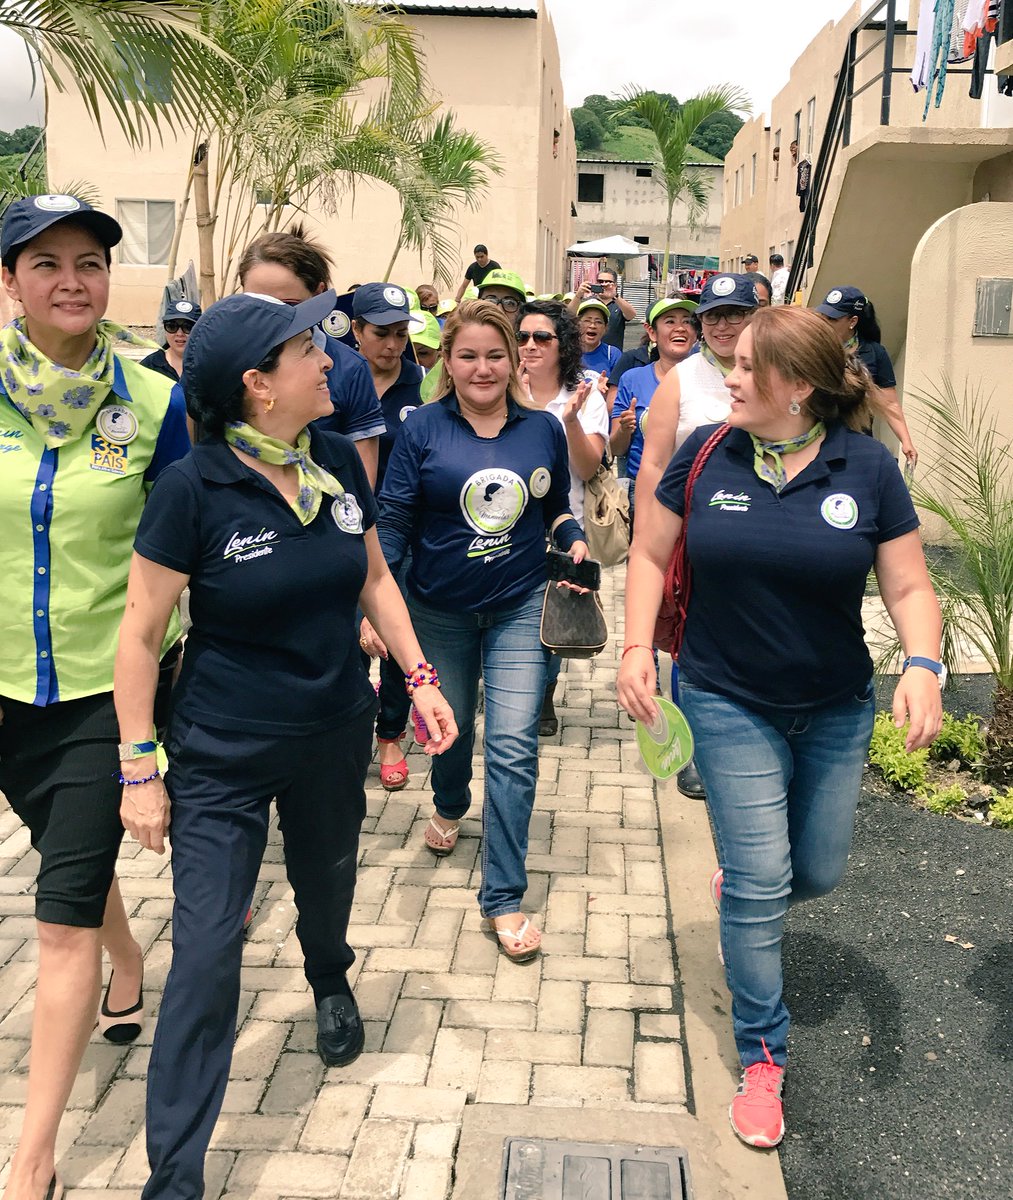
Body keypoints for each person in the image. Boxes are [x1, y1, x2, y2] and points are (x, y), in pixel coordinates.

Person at [113, 291, 457, 1200]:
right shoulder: (194, 487)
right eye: (307, 348)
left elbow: (375, 576)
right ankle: (175, 1174)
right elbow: (141, 634)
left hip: (332, 732)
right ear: (259, 386)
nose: (327, 359)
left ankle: (329, 976)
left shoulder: (336, 458)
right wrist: (138, 767)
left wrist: (419, 680)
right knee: (205, 953)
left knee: (327, 882)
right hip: (221, 751)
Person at [619, 305, 943, 1151]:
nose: (723, 374)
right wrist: (633, 651)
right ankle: (763, 1052)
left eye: (745, 365)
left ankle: (744, 905)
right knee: (762, 878)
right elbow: (650, 554)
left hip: (835, 705)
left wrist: (923, 665)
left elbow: (908, 587)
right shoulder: (703, 456)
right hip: (726, 698)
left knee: (819, 871)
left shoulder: (864, 467)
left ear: (796, 387)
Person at [0, 194, 189, 1200]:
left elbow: (179, 550)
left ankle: (33, 1159)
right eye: (45, 263)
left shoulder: (152, 406)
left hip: (92, 693)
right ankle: (127, 953)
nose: (71, 279)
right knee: (68, 863)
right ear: (9, 282)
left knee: (59, 913)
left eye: (88, 261)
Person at [368, 299, 588, 962]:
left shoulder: (541, 430)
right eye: (468, 355)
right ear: (447, 361)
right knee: (451, 730)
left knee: (515, 745)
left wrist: (572, 538)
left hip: (521, 605)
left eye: (495, 354)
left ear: (514, 358)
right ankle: (450, 797)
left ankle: (503, 896)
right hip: (438, 610)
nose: (483, 367)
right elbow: (394, 523)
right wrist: (376, 610)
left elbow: (554, 508)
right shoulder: (423, 429)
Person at [631, 273, 759, 800]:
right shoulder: (681, 381)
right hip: (694, 535)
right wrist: (648, 547)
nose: (723, 324)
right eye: (713, 315)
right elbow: (654, 465)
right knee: (688, 641)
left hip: (760, 531)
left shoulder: (779, 372)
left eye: (734, 313)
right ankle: (695, 750)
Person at [516, 299, 609, 736]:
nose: (529, 346)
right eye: (521, 337)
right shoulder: (499, 385)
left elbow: (589, 467)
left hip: (562, 522)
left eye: (541, 337)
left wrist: (569, 420)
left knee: (553, 612)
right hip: (505, 523)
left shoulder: (585, 391)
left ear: (563, 345)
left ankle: (545, 690)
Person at [236, 226, 385, 485]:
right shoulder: (225, 363)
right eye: (256, 303)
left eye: (288, 306)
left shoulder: (349, 368)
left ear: (318, 295)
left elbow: (362, 484)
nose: (271, 317)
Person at [351, 283, 424, 789]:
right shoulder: (332, 382)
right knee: (346, 640)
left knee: (399, 639)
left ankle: (391, 733)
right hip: (341, 534)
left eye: (401, 334)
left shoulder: (423, 388)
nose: (392, 345)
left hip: (407, 537)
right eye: (381, 333)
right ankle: (349, 733)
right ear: (356, 330)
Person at [609, 298, 699, 519]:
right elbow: (617, 448)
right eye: (670, 321)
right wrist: (624, 429)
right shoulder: (632, 379)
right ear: (652, 332)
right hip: (643, 493)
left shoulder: (710, 378)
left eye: (687, 322)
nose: (680, 328)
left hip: (696, 492)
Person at [813, 286, 918, 470]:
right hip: (815, 442)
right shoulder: (813, 348)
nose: (825, 323)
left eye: (832, 319)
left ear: (852, 321)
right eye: (823, 317)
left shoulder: (875, 353)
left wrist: (906, 442)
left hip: (856, 444)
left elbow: (890, 403)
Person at [569, 268, 637, 349]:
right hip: (586, 353)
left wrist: (615, 296)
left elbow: (631, 315)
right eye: (600, 281)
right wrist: (578, 295)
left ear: (615, 285)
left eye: (608, 282)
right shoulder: (587, 302)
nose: (604, 284)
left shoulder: (620, 303)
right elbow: (568, 315)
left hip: (611, 355)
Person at [140, 299, 202, 382]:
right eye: (172, 326)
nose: (179, 334)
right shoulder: (150, 366)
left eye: (188, 327)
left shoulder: (211, 365)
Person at [577, 297, 622, 376]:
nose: (592, 326)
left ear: (605, 327)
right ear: (577, 324)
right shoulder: (567, 353)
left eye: (598, 322)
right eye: (587, 320)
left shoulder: (612, 355)